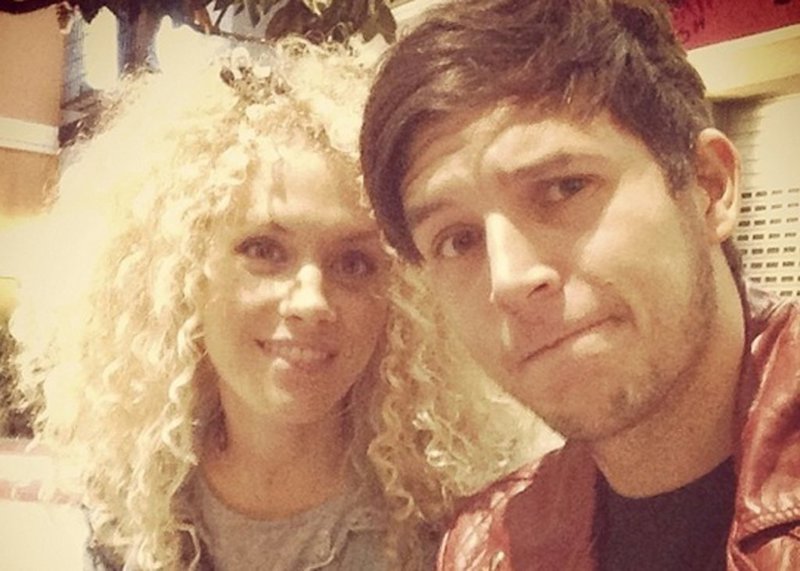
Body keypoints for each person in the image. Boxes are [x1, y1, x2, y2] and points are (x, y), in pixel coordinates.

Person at [9, 37, 538, 570]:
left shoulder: (464, 525)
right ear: (185, 270)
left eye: (354, 262)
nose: (310, 301)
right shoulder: (131, 509)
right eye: (264, 251)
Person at [359, 0, 800, 569]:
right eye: (458, 240)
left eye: (565, 187)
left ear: (708, 187)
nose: (509, 279)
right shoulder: (486, 549)